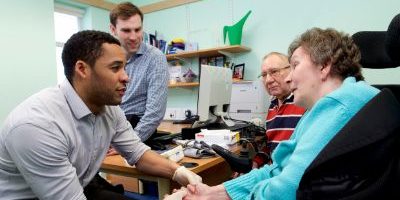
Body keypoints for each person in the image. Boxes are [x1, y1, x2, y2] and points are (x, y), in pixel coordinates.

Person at [166, 27, 380, 200]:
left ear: (324, 66)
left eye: (294, 66)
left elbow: (284, 190)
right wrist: (214, 193)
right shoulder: (323, 108)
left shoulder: (340, 106)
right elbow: (278, 169)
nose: (289, 78)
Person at [0, 30, 201, 200]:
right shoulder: (36, 126)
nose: (126, 77)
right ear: (82, 69)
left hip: (79, 185)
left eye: (124, 67)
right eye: (115, 68)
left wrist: (179, 171)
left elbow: (137, 152)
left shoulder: (109, 109)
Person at [109, 2, 169, 142]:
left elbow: (154, 113)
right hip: (108, 130)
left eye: (138, 29)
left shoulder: (155, 57)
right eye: (126, 30)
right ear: (113, 29)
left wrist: (129, 143)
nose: (134, 37)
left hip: (136, 132)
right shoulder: (105, 58)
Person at [253, 52, 305, 168]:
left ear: (291, 71)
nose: (268, 80)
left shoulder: (304, 102)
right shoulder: (272, 105)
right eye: (264, 75)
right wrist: (256, 161)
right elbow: (272, 145)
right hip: (273, 171)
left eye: (274, 72)